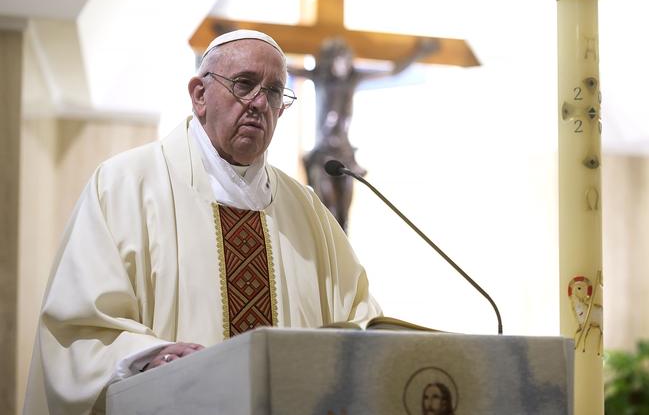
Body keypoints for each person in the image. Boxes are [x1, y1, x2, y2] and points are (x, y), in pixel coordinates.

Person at [24, 30, 381, 414]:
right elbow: (79, 330)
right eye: (244, 84)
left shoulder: (309, 213)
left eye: (275, 92)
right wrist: (151, 356)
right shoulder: (124, 186)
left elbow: (361, 325)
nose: (260, 103)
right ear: (199, 95)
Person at [289, 36, 438, 231]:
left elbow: (393, 71)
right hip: (323, 154)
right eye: (337, 58)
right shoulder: (320, 77)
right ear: (329, 59)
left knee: (343, 215)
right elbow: (286, 67)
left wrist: (419, 52)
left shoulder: (354, 77)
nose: (342, 64)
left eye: (345, 58)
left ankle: (343, 249)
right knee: (328, 209)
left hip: (345, 153)